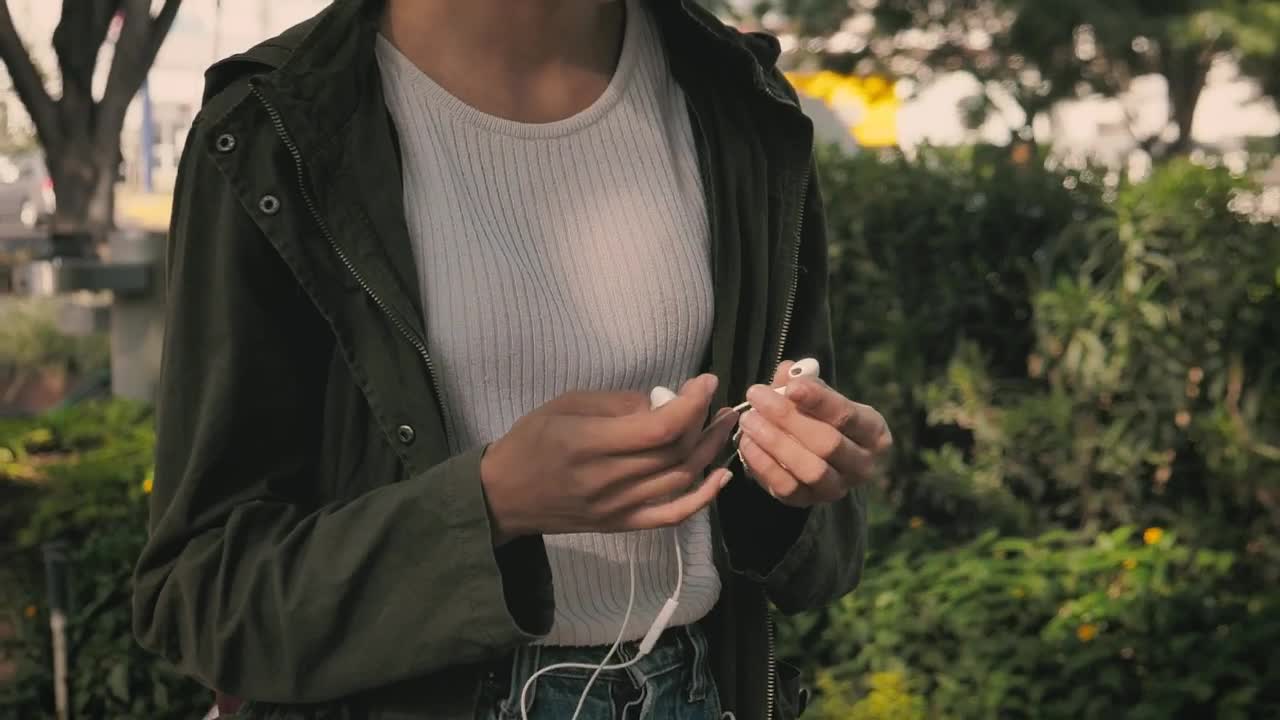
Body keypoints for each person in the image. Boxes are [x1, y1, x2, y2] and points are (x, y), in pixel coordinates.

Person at [131, 0, 892, 718]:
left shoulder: (740, 100)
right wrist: (490, 504)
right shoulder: (275, 128)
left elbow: (821, 551)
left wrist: (791, 483)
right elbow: (201, 595)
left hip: (696, 686)